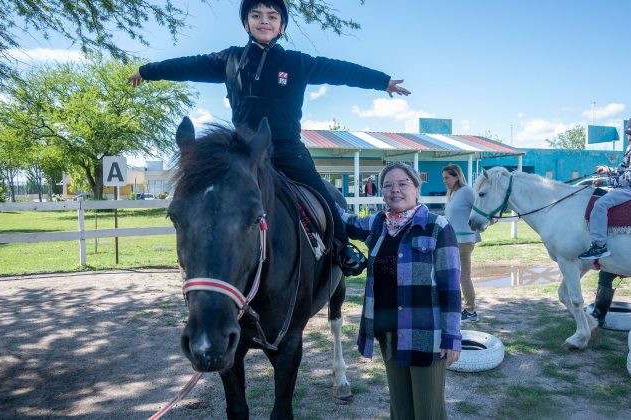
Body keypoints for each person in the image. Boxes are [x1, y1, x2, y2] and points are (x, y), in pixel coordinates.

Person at [128, 0, 411, 276]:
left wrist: (382, 80)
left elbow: (341, 70)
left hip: (287, 149)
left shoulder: (297, 62)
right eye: (257, 15)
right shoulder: (230, 59)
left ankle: (341, 247)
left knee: (321, 193)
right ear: (246, 23)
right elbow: (188, 65)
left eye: (272, 16)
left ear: (282, 26)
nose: (264, 20)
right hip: (243, 152)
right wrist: (148, 71)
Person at [339, 162, 461, 420]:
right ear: (382, 192)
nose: (395, 190)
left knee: (428, 411)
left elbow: (450, 288)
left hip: (425, 333)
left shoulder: (437, 226)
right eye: (388, 185)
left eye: (403, 183)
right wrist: (317, 195)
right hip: (388, 332)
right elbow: (346, 222)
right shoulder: (378, 224)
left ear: (416, 188)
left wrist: (452, 337)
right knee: (400, 407)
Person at [579, 113, 631, 259]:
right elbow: (623, 170)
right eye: (630, 136)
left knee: (600, 205)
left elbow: (628, 178)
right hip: (627, 184)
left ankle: (599, 245)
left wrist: (604, 181)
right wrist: (608, 170)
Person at [442, 164, 482, 323]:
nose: (444, 181)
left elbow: (481, 209)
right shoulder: (452, 193)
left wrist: (484, 224)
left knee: (464, 276)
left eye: (447, 177)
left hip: (464, 240)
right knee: (455, 275)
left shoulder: (467, 192)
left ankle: (471, 311)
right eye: (443, 178)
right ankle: (459, 308)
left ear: (457, 176)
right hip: (453, 240)